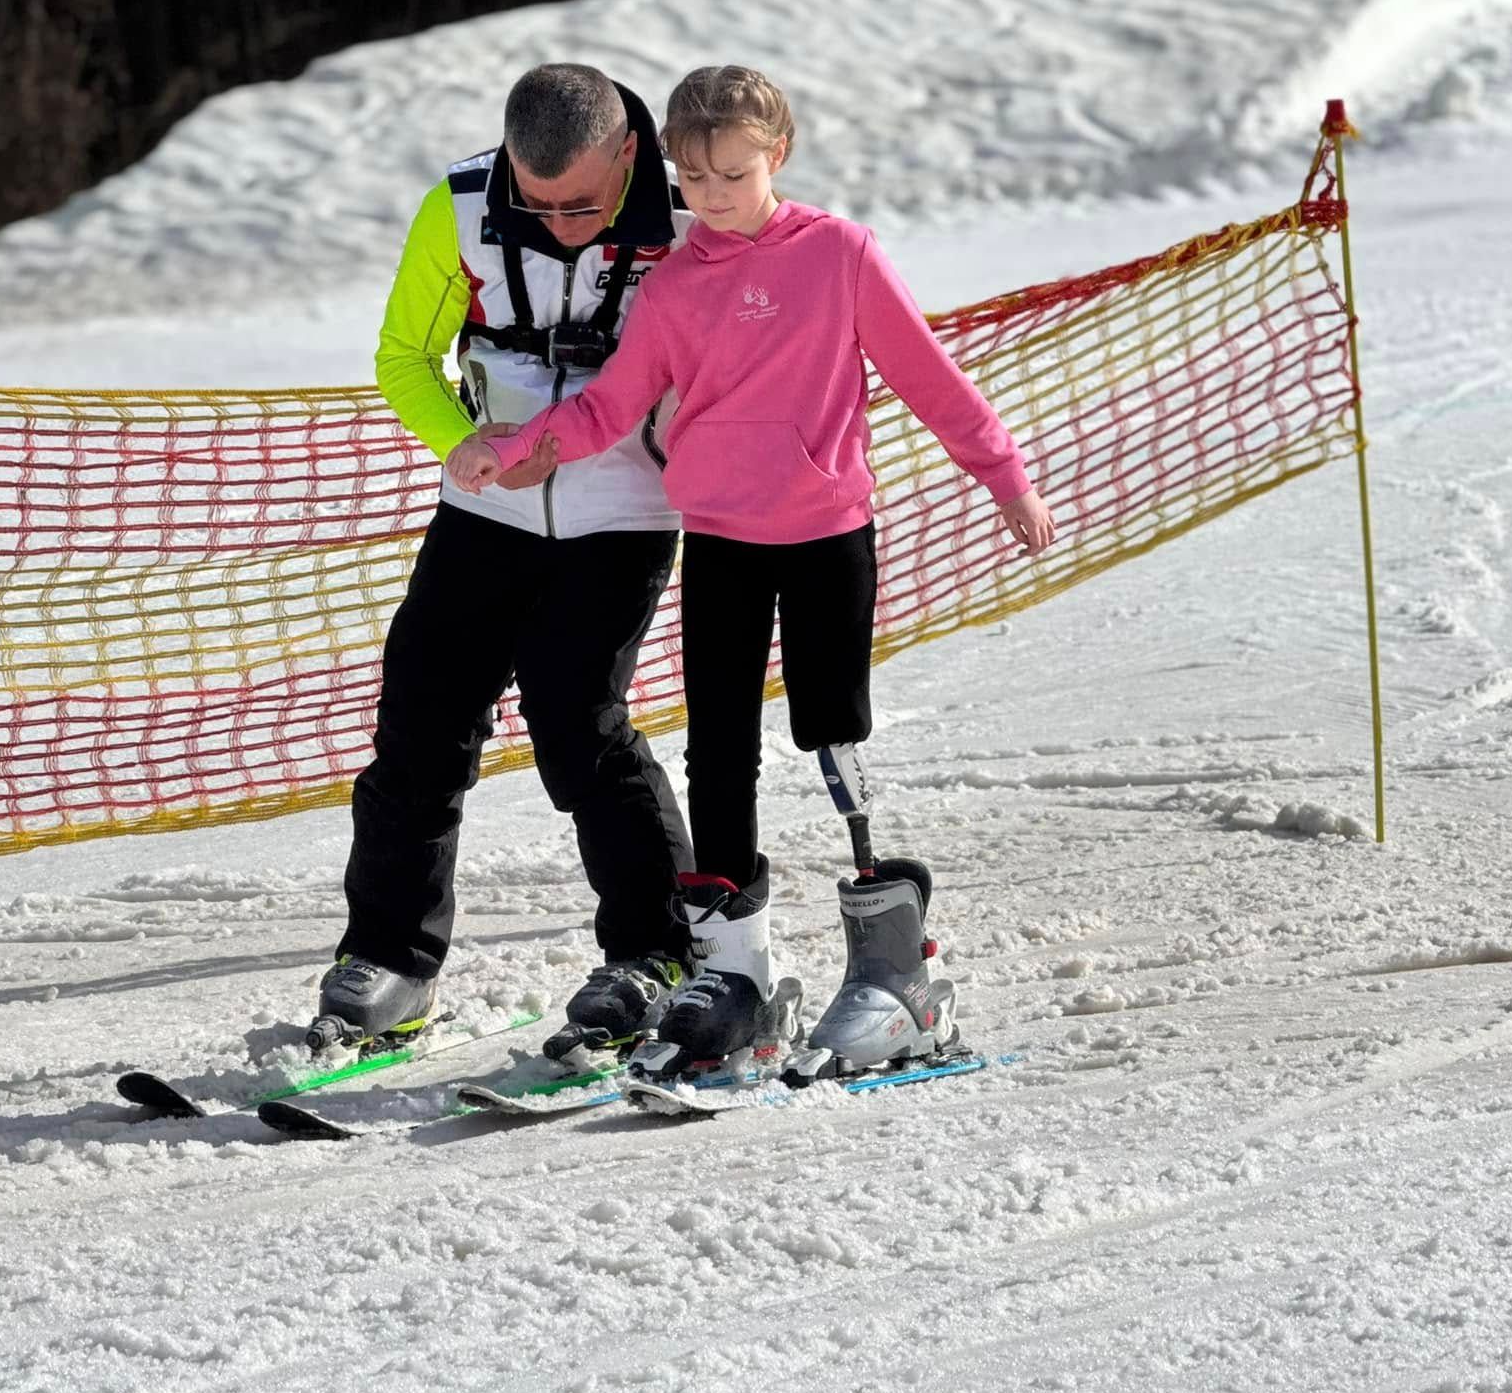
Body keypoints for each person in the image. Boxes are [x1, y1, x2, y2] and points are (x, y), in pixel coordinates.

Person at [448, 66, 1057, 1080]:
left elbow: (928, 380)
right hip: (721, 538)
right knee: (716, 745)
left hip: (823, 532)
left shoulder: (838, 255)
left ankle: (890, 964)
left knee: (830, 724)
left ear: (778, 154)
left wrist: (1003, 477)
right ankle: (731, 974)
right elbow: (606, 410)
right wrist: (510, 449)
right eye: (691, 175)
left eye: (731, 172)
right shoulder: (677, 283)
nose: (711, 193)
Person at [310, 64, 700, 1062]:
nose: (560, 224)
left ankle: (654, 956)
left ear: (625, 155)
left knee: (579, 725)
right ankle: (388, 964)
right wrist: (456, 440)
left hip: (623, 504)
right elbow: (404, 357)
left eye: (581, 204)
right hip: (485, 503)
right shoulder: (460, 207)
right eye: (537, 203)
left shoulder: (692, 210)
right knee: (419, 719)